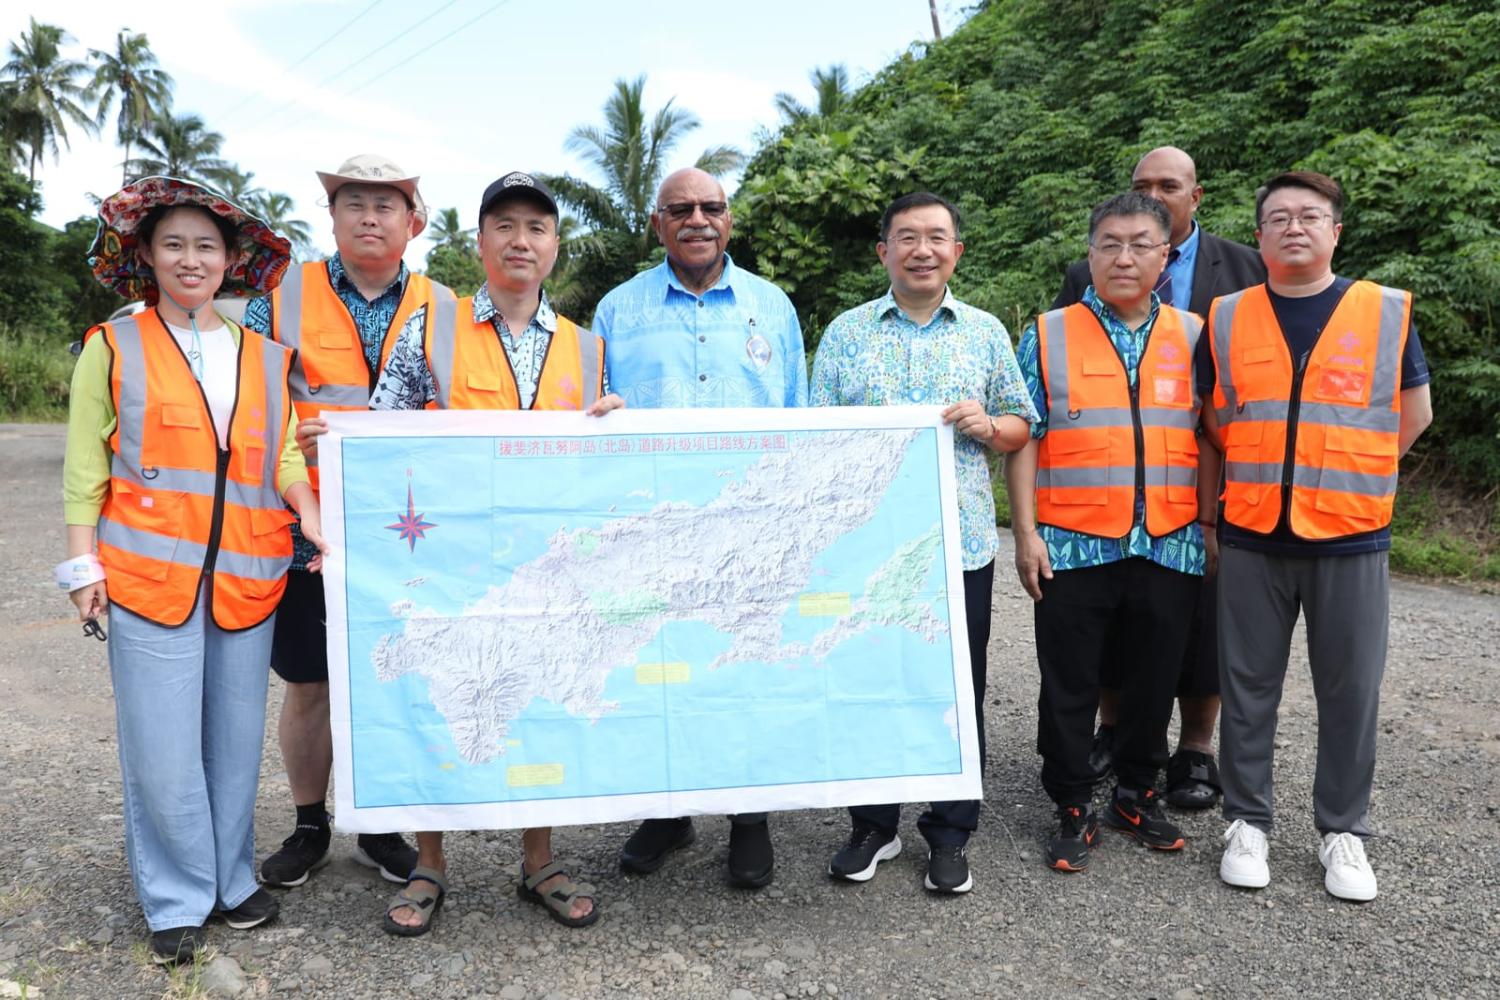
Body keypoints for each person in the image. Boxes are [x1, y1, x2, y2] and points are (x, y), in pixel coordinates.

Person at [61, 176, 321, 964]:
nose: (190, 258)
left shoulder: (269, 357)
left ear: (233, 260)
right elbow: (85, 464)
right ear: (146, 255)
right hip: (145, 581)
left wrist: (307, 507)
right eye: (172, 243)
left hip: (247, 577)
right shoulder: (111, 347)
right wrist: (82, 564)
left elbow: (279, 454)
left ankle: (232, 879)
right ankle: (176, 896)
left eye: (206, 245)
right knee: (163, 747)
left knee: (235, 743)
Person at [363, 171, 624, 935]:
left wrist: (612, 426)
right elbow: (382, 440)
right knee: (442, 694)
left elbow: (596, 471)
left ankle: (538, 858)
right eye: (504, 225)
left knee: (536, 695)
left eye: (537, 228)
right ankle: (429, 864)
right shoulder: (429, 329)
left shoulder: (587, 346)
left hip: (545, 568)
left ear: (553, 247)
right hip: (450, 565)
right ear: (479, 242)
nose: (521, 240)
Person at [1206, 171, 1431, 901]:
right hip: (1251, 534)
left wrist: (1343, 472)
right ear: (1260, 236)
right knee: (1247, 687)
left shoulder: (1384, 312)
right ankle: (1247, 822)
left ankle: (1344, 832)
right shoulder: (1229, 315)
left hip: (1350, 536)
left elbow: (1413, 414)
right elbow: (1219, 417)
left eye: (1310, 216)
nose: (1294, 227)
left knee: (1350, 690)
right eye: (1277, 218)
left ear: (1336, 231)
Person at [810, 192, 1035, 894]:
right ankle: (874, 824)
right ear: (884, 251)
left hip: (959, 545)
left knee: (956, 687)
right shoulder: (847, 334)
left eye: (937, 237)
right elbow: (815, 440)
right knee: (872, 681)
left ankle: (949, 830)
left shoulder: (985, 333)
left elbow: (1023, 426)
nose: (922, 249)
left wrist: (988, 427)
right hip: (870, 550)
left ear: (957, 252)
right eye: (906, 237)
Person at [242, 155, 454, 890]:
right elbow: (257, 415)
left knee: (395, 678)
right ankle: (309, 823)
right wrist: (302, 496)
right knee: (310, 682)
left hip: (407, 532)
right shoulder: (280, 298)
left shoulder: (448, 307)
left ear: (414, 223)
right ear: (330, 217)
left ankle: (381, 825)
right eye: (353, 202)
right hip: (307, 527)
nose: (369, 215)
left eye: (386, 205)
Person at [593, 167, 807, 888]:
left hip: (749, 527)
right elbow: (590, 415)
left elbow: (797, 416)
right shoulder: (618, 312)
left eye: (710, 207)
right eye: (679, 208)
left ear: (729, 220)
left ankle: (749, 815)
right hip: (654, 529)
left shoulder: (772, 308)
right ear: (657, 224)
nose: (696, 218)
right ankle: (669, 808)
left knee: (742, 664)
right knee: (659, 669)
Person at [1007, 191, 1215, 873]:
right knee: (1069, 681)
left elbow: (1210, 437)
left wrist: (1207, 523)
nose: (1124, 257)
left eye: (1140, 245)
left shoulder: (1193, 334)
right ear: (1090, 253)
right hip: (1072, 542)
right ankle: (1070, 801)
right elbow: (1025, 439)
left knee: (1154, 677)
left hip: (1168, 540)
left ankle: (1135, 791)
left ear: (1164, 256)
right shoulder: (1048, 331)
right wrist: (1026, 534)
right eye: (1109, 244)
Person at [1055, 146, 1266, 809]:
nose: (1155, 194)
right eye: (1142, 184)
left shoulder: (1244, 268)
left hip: (1211, 480)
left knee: (1204, 622)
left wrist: (1214, 505)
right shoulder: (1080, 274)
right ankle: (1115, 732)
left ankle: (1196, 749)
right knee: (1123, 614)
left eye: (1168, 185)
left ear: (1195, 196)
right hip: (1114, 490)